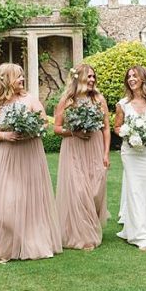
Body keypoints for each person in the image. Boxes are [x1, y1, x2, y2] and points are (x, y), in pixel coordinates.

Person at [0, 63, 62, 264]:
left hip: (28, 156)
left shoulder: (30, 99)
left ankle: (31, 244)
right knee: (5, 204)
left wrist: (30, 130)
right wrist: (5, 135)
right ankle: (3, 246)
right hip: (4, 158)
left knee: (29, 200)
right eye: (18, 77)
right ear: (5, 80)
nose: (22, 80)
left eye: (23, 76)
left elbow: (43, 123)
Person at [53, 64, 111, 250]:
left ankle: (89, 226)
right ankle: (83, 236)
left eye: (94, 77)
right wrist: (74, 132)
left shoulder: (98, 99)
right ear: (79, 78)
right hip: (74, 148)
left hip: (94, 147)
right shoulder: (67, 100)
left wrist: (105, 153)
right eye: (89, 77)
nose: (93, 80)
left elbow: (106, 128)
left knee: (95, 190)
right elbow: (56, 128)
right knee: (78, 191)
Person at [113, 65, 146, 250]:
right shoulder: (122, 104)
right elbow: (117, 127)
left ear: (143, 79)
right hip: (130, 152)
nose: (131, 79)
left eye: (135, 76)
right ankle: (140, 235)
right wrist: (128, 134)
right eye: (129, 76)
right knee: (134, 190)